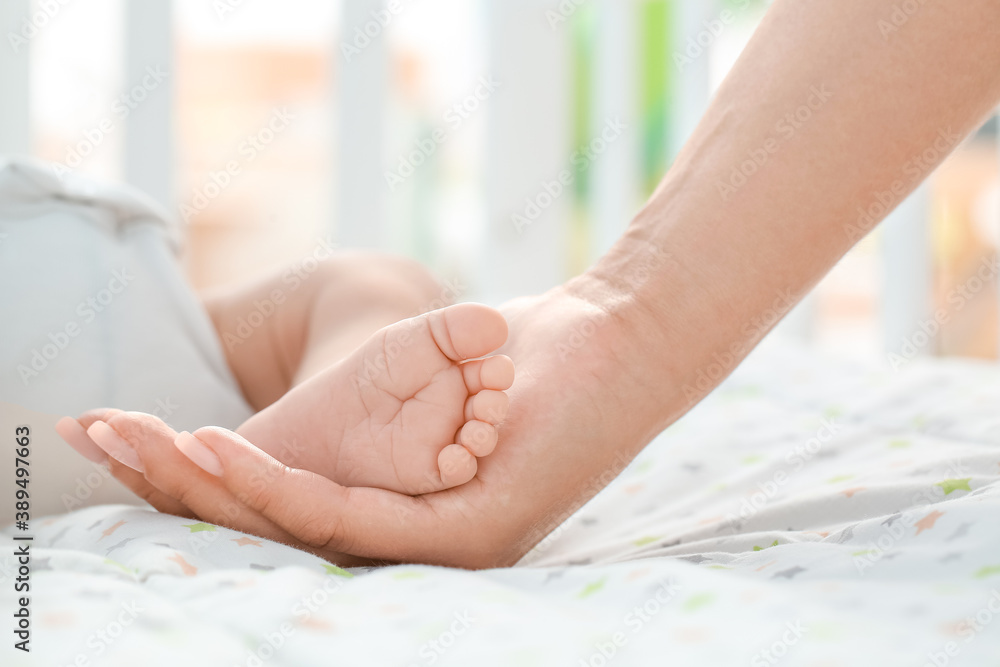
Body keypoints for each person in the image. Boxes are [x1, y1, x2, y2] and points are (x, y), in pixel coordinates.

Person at [58, 0, 1000, 568]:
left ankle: (326, 430)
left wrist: (342, 383)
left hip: (141, 370)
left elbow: (329, 295)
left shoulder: (62, 262)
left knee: (367, 300)